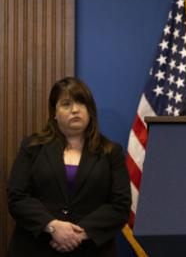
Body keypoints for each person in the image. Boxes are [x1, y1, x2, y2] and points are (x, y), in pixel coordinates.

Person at [7, 77, 131, 256]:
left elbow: (120, 206)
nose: (75, 110)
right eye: (66, 104)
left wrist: (78, 235)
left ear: (90, 111)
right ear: (54, 113)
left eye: (81, 103)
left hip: (91, 250)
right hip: (35, 248)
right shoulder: (32, 147)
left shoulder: (111, 152)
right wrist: (52, 226)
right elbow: (17, 197)